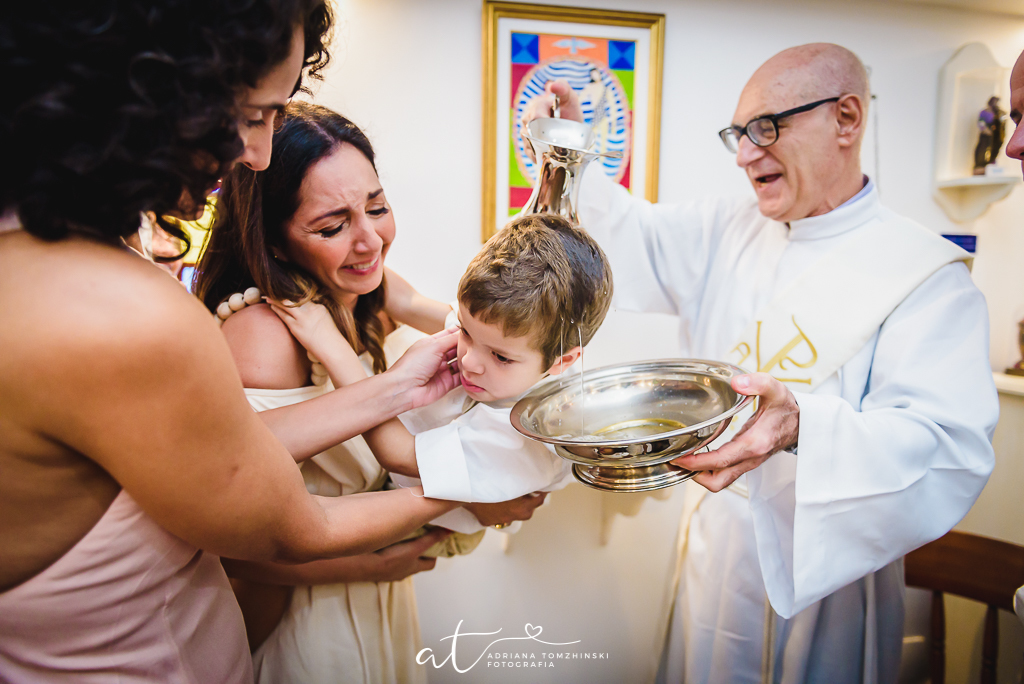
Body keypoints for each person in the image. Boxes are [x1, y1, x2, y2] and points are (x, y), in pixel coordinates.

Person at [0, 4, 469, 682]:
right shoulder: (117, 312)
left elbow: (216, 453)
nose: (259, 155)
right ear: (143, 91)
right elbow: (288, 527)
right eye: (251, 116)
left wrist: (396, 385)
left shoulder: (65, 250)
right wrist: (481, 488)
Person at [524, 43, 998, 683]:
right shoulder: (728, 228)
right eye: (738, 133)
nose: (746, 153)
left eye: (767, 128)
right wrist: (567, 155)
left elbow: (946, 449)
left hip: (830, 577)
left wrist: (802, 425)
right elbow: (625, 235)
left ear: (847, 118)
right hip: (714, 548)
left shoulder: (925, 275)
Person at [194, 102, 548, 683]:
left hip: (375, 595)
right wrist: (369, 563)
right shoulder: (266, 334)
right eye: (332, 227)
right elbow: (228, 542)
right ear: (276, 241)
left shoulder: (364, 293)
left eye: (377, 207)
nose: (369, 241)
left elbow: (499, 338)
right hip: (307, 619)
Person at [272, 212, 613, 535]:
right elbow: (407, 302)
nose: (470, 361)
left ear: (562, 362)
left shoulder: (529, 435)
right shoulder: (495, 333)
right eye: (465, 331)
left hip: (428, 518)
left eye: (500, 358)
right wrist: (332, 255)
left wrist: (329, 343)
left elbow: (396, 453)